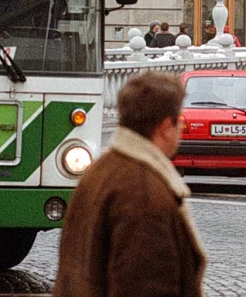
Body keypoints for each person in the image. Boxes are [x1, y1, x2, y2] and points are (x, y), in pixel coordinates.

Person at [53, 72, 206, 296]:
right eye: (179, 120)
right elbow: (146, 286)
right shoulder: (144, 194)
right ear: (165, 126)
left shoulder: (100, 170)